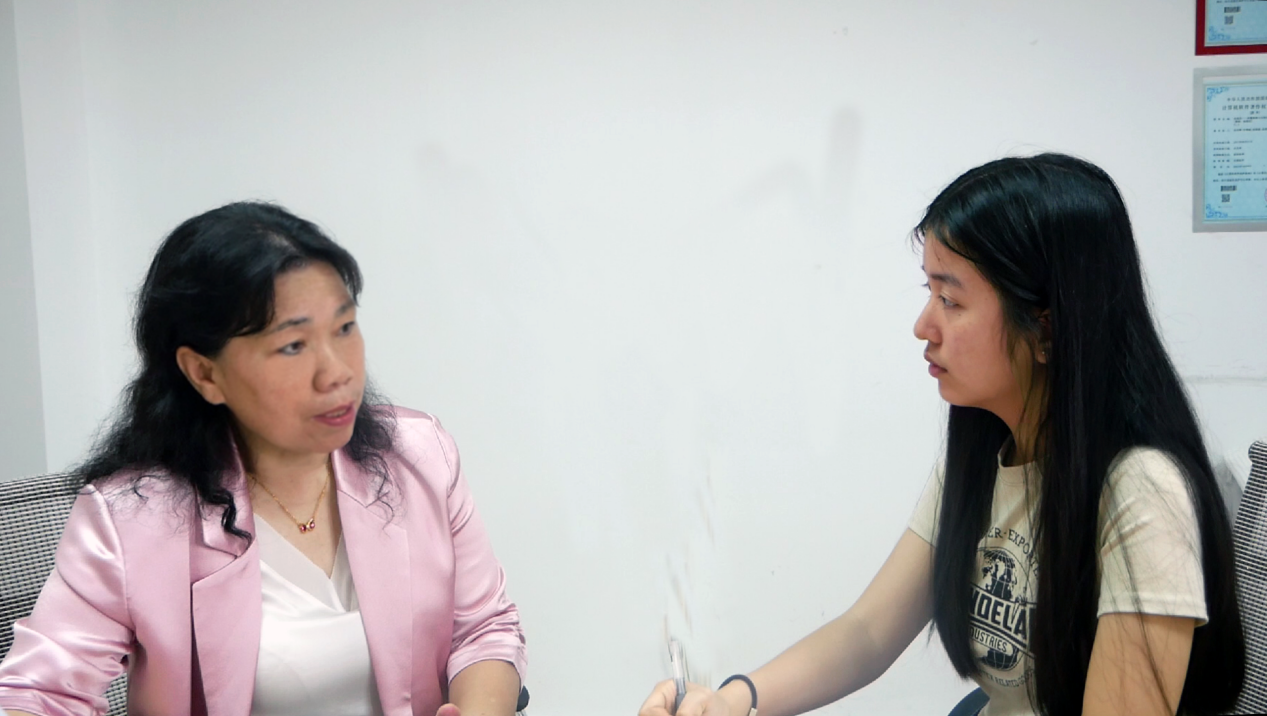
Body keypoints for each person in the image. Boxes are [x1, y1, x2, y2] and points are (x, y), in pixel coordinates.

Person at [638, 154, 1245, 716]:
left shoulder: (1144, 495)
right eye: (929, 293)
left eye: (950, 300)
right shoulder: (984, 455)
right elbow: (867, 633)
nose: (923, 326)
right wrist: (734, 701)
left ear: (1046, 329)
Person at [0, 203, 526, 716]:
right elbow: (38, 695)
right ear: (205, 374)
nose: (337, 373)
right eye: (293, 345)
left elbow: (482, 627)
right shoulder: (131, 519)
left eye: (344, 328)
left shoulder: (418, 455)